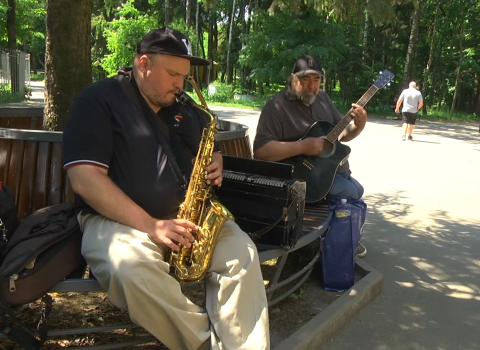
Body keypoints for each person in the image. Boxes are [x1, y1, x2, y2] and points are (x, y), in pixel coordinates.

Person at [62, 27, 270, 350]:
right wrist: (152, 225)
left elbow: (207, 145)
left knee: (242, 255)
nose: (180, 84)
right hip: (118, 223)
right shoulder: (98, 101)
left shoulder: (183, 106)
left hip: (188, 219)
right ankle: (204, 344)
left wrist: (216, 160)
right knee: (131, 271)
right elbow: (84, 179)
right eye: (173, 74)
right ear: (143, 64)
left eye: (185, 77)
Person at [252, 54, 368, 258]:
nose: (311, 86)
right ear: (293, 78)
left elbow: (340, 134)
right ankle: (335, 243)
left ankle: (343, 240)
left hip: (331, 171)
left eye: (316, 80)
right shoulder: (276, 105)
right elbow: (261, 150)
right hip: (304, 179)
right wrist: (303, 146)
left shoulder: (322, 98)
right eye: (305, 79)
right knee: (352, 192)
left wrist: (359, 126)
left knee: (357, 189)